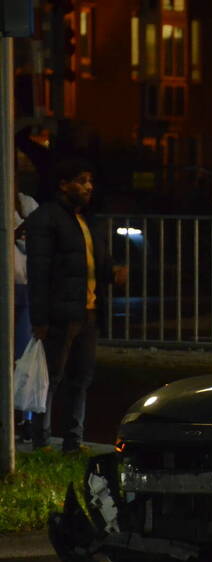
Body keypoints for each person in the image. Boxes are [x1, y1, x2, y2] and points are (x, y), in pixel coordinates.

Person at [23, 158, 127, 454]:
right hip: (61, 312)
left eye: (90, 181)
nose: (88, 187)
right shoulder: (48, 218)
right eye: (82, 180)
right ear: (63, 184)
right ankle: (41, 440)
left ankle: (73, 441)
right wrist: (40, 318)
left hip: (87, 312)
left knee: (81, 377)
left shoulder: (88, 222)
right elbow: (39, 272)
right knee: (51, 377)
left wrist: (113, 273)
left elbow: (95, 264)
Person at [13, 184, 39, 443]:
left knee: (24, 357)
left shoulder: (26, 202)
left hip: (25, 287)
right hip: (6, 288)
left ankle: (26, 418)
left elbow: (40, 240)